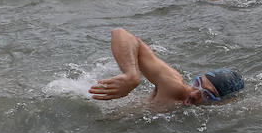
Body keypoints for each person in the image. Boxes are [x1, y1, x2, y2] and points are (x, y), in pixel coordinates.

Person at [88, 27, 245, 111]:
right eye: (197, 83)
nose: (194, 93)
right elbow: (120, 33)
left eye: (207, 95)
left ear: (223, 103)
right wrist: (131, 75)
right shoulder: (173, 86)